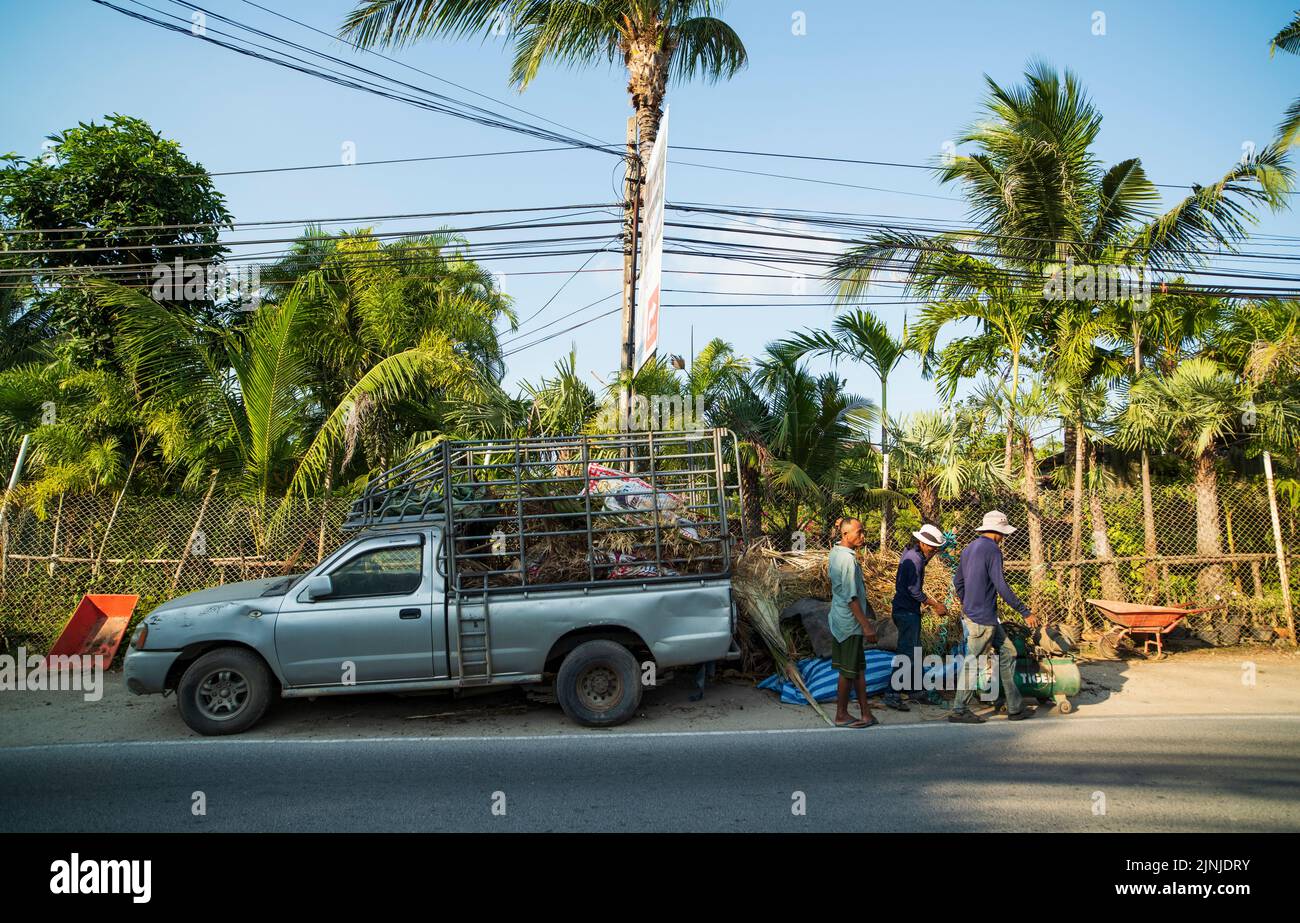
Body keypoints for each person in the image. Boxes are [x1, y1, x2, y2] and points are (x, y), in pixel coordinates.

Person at [949, 510, 1040, 724]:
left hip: (980, 615)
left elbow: (957, 582)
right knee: (974, 663)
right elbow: (1001, 586)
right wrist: (1024, 611)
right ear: (999, 532)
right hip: (983, 618)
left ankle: (1015, 708)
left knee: (1009, 651)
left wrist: (968, 602)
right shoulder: (993, 550)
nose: (1004, 538)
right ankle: (959, 709)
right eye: (1004, 534)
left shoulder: (969, 548)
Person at [884, 523, 948, 711]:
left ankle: (915, 690)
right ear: (924, 543)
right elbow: (915, 591)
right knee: (907, 653)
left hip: (904, 609)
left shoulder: (912, 553)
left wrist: (934, 553)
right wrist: (936, 605)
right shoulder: (915, 559)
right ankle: (892, 693)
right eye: (933, 547)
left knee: (914, 651)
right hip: (907, 611)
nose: (935, 550)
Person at [828, 517, 879, 728]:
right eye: (858, 532)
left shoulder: (836, 551)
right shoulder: (847, 559)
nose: (862, 536)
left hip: (841, 618)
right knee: (848, 671)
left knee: (857, 669)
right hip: (850, 623)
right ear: (845, 534)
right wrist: (866, 625)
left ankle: (866, 714)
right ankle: (841, 714)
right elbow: (851, 597)